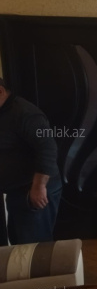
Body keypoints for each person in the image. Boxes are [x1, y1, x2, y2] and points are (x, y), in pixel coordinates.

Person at [0, 77, 61, 244]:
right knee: (19, 244)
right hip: (16, 191)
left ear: (0, 91)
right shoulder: (4, 112)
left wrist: (38, 186)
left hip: (34, 190)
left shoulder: (25, 113)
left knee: (35, 247)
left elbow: (48, 148)